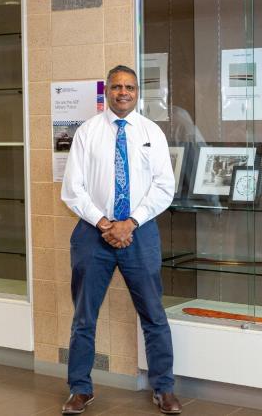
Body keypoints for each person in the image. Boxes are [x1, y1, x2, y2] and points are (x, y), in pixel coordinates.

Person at [60, 65, 181, 415]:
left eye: (129, 87)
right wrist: (105, 224)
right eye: (116, 87)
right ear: (107, 91)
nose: (123, 92)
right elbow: (73, 189)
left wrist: (130, 223)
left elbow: (164, 187)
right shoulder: (87, 132)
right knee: (84, 317)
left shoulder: (151, 132)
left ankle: (164, 388)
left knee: (154, 315)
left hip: (140, 232)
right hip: (92, 233)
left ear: (137, 92)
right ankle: (80, 389)